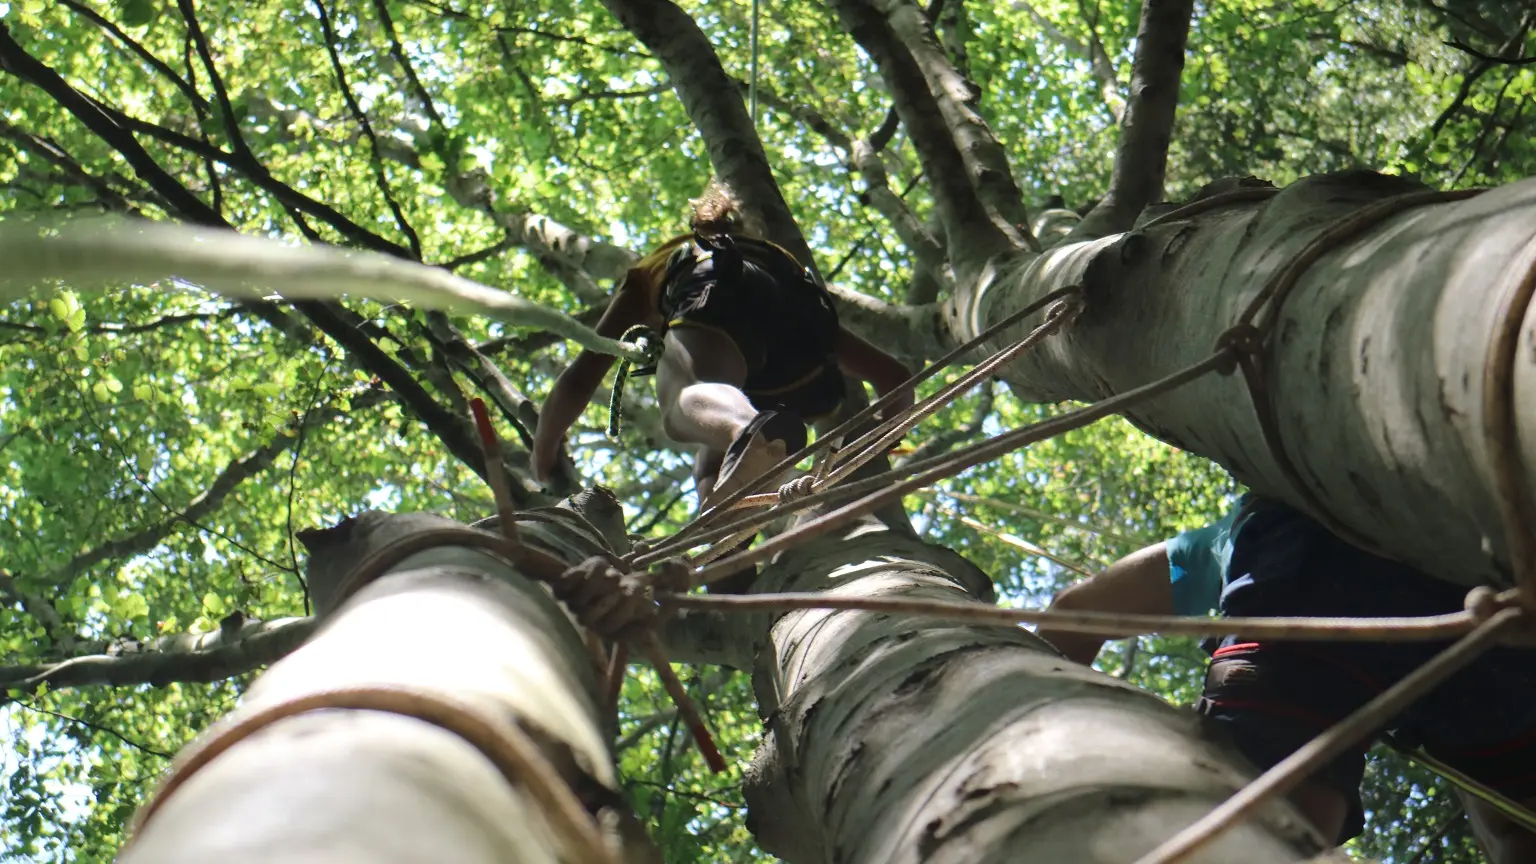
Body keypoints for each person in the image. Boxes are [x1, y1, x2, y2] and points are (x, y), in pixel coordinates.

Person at [1039, 494, 1536, 863]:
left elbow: (1073, 614)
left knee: (1259, 827)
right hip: (1488, 602)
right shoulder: (1225, 538)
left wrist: (1040, 750)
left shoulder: (1215, 545)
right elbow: (1073, 617)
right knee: (1514, 828)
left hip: (1311, 584)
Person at [531, 179, 914, 512]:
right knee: (711, 462)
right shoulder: (783, 270)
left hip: (715, 293)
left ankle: (747, 432)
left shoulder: (665, 263)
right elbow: (895, 377)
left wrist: (544, 451)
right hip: (799, 355)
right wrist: (882, 436)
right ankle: (729, 551)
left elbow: (581, 378)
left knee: (687, 399)